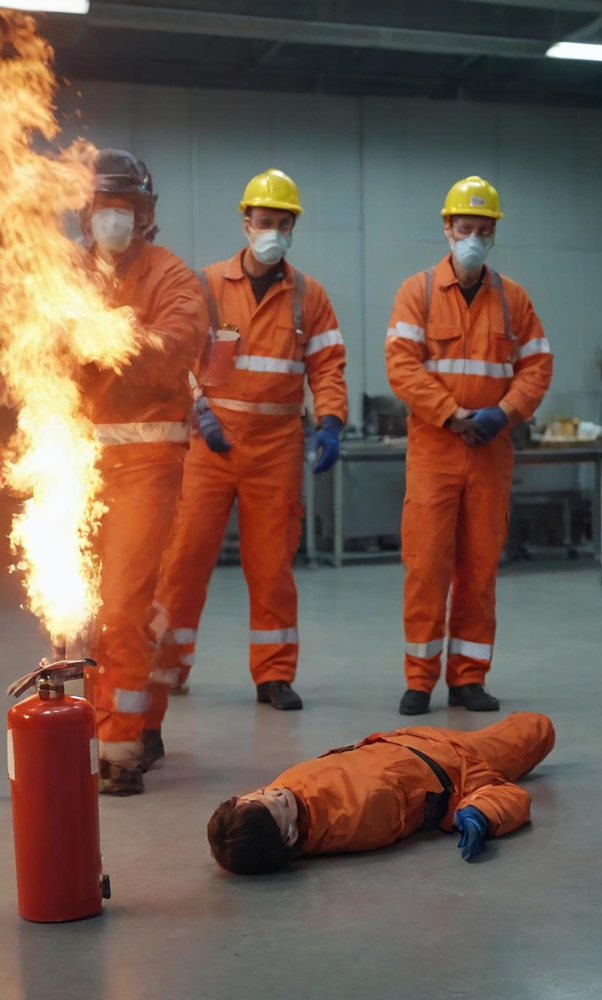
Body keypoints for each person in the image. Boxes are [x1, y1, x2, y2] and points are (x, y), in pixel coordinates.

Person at [149, 168, 347, 747]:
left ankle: (275, 674)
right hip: (209, 449)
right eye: (265, 221)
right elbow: (180, 358)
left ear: (293, 227)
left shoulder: (309, 297)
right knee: (183, 561)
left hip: (276, 452)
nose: (274, 231)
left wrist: (330, 419)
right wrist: (197, 412)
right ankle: (169, 665)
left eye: (283, 223)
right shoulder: (206, 285)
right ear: (246, 223)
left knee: (272, 566)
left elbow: (328, 366)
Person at [385, 176, 553, 717]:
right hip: (436, 450)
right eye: (465, 228)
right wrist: (452, 415)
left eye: (483, 230)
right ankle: (419, 678)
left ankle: (468, 678)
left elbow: (537, 367)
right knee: (426, 566)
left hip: (490, 451)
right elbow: (402, 366)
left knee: (479, 569)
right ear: (447, 229)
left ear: (494, 232)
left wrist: (503, 413)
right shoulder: (419, 293)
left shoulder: (515, 300)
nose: (473, 238)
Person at [78, 149, 208, 795]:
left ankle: (120, 750)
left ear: (145, 214)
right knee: (80, 612)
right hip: (74, 464)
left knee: (124, 604)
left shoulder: (172, 275)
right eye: (104, 207)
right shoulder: (64, 276)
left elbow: (175, 346)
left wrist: (103, 341)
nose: (113, 220)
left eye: (124, 208)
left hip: (148, 465)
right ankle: (129, 719)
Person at [206, 712, 555, 874]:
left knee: (530, 728)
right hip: (460, 766)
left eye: (261, 792)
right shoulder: (356, 822)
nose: (276, 791)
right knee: (537, 728)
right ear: (290, 836)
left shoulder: (280, 800)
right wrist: (481, 813)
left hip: (405, 740)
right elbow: (495, 795)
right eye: (277, 803)